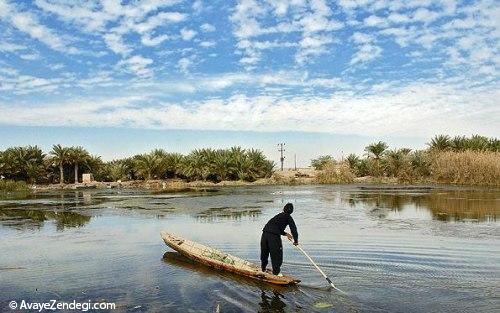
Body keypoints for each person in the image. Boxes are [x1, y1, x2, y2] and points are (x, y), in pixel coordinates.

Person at [260, 203, 299, 276]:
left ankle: (263, 269)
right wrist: (296, 241)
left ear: (284, 209)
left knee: (264, 253)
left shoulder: (278, 216)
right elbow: (293, 229)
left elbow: (274, 227)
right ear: (292, 211)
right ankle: (276, 273)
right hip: (274, 237)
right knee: (277, 254)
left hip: (265, 234)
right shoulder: (288, 217)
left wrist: (285, 234)